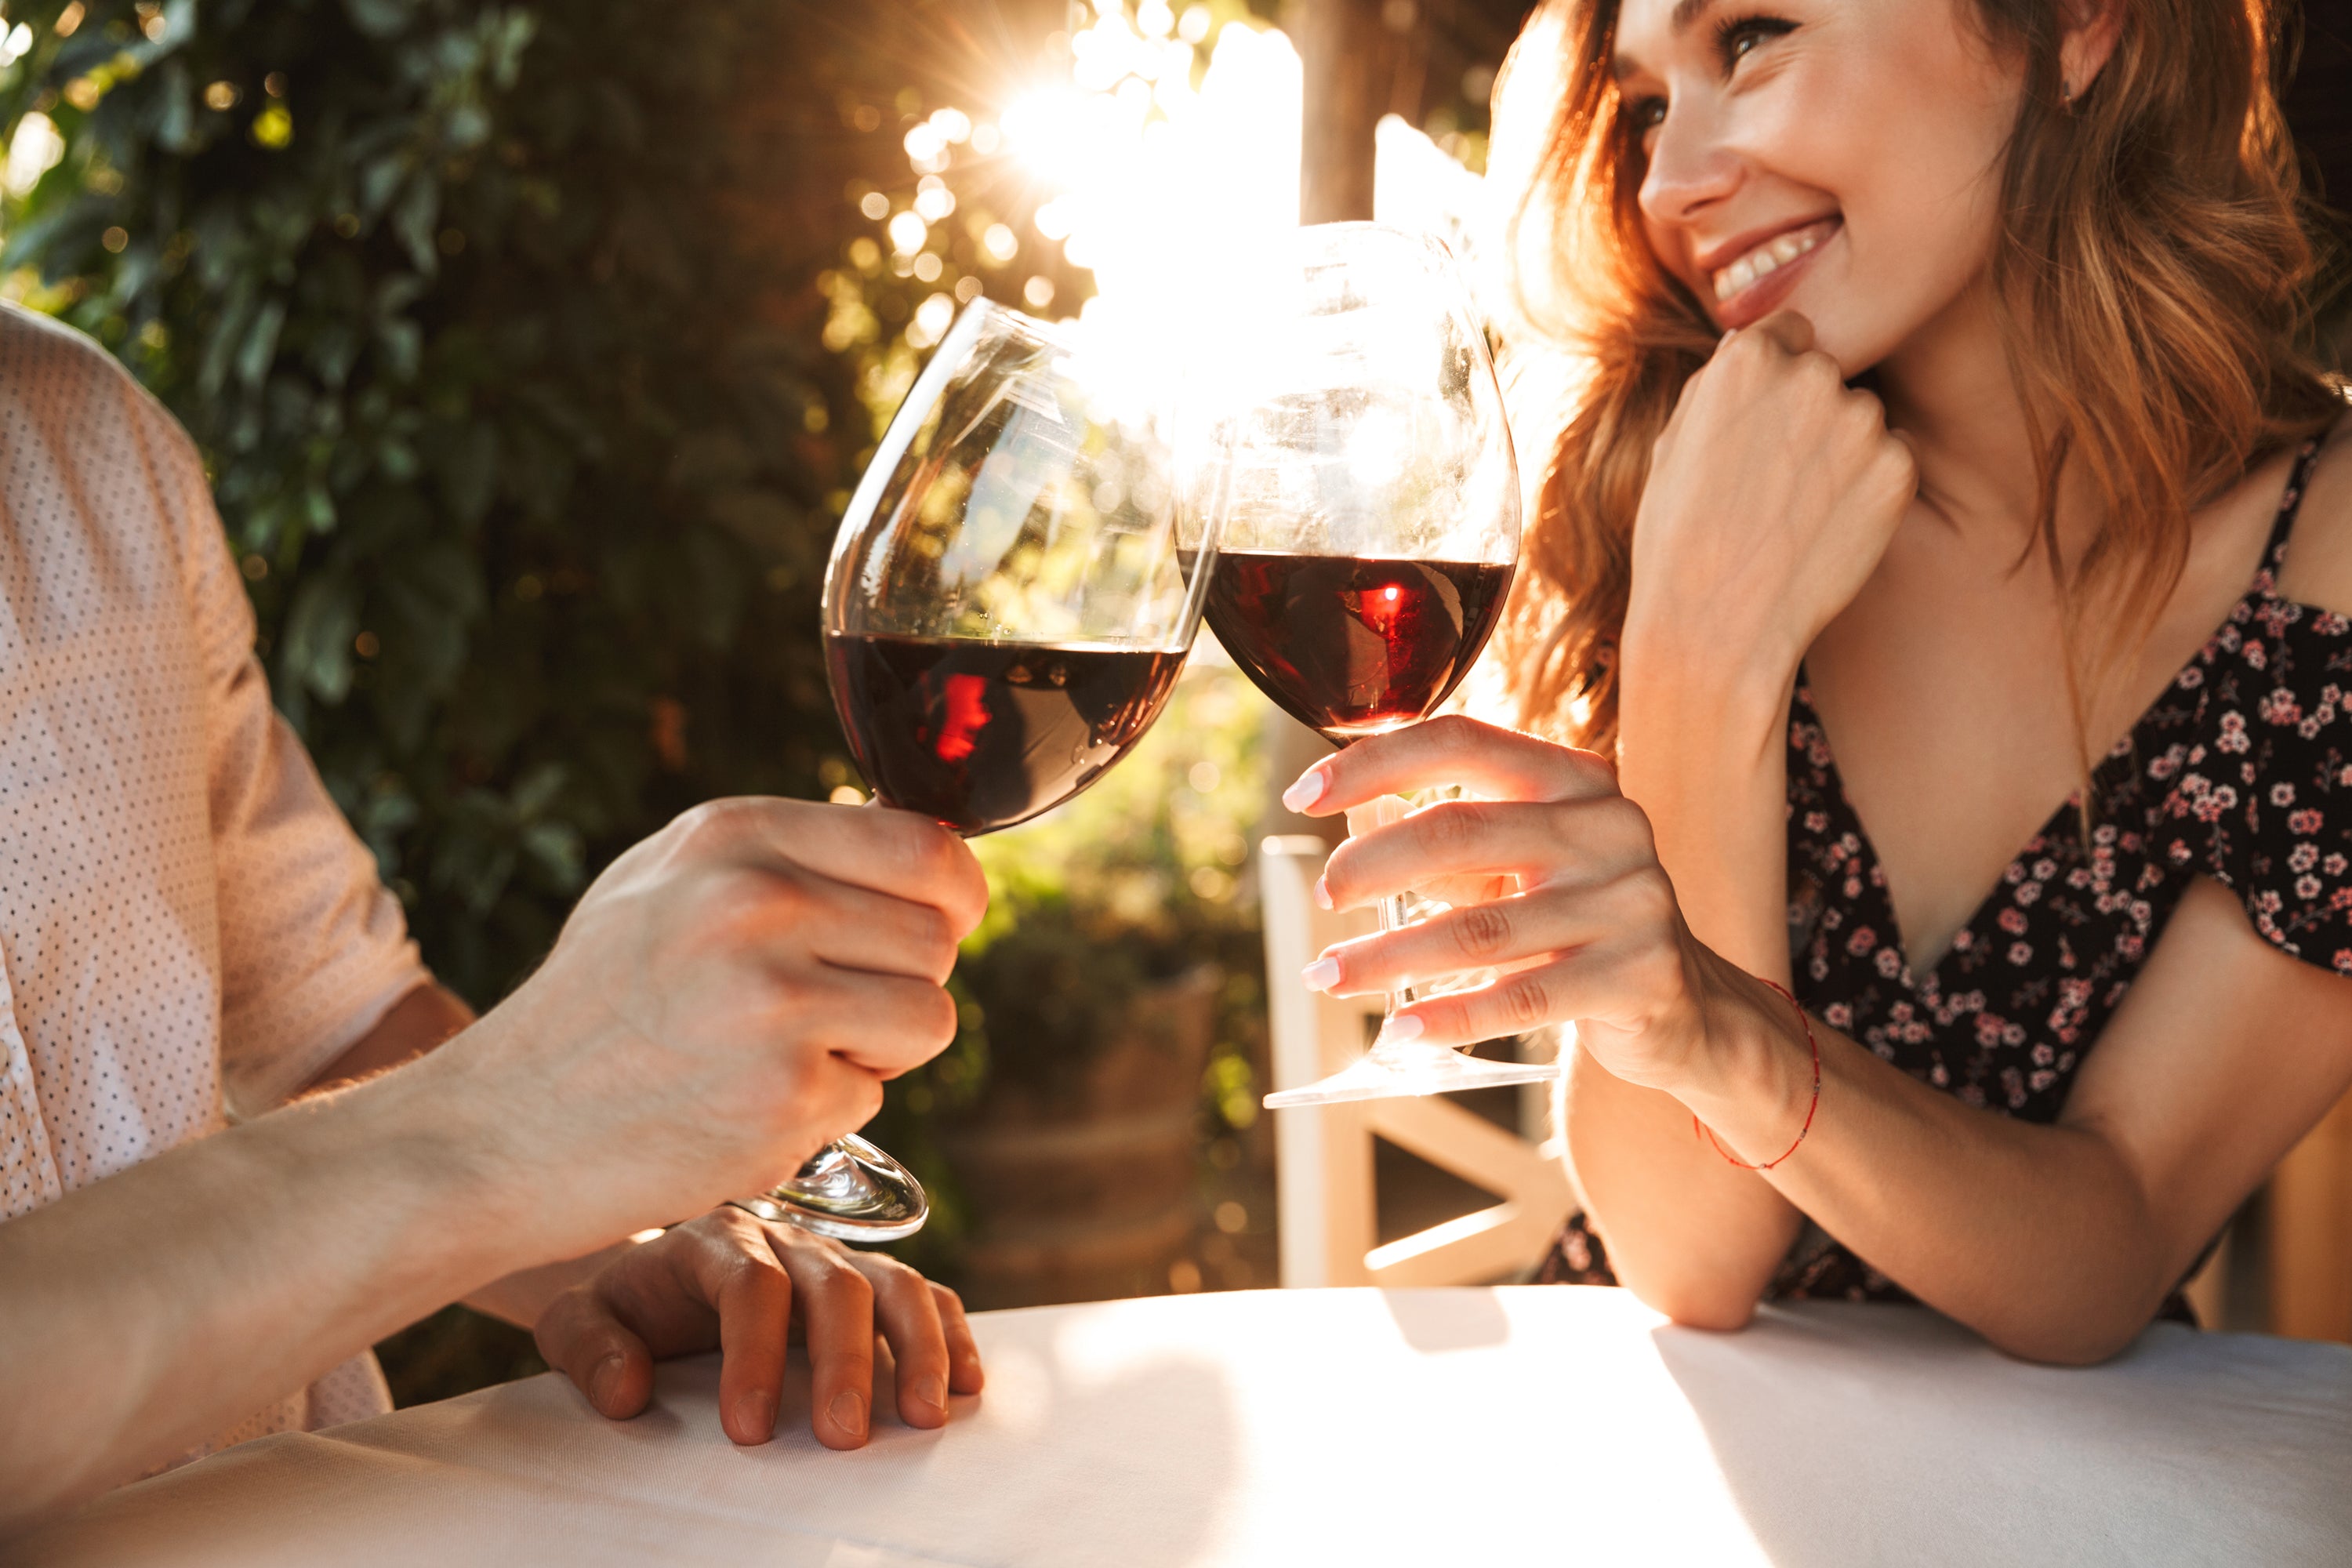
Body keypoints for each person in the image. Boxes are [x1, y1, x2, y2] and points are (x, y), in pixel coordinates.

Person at [1285, 0, 2352, 1363]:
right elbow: (1683, 1259)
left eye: (1752, 37)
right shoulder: (1680, 486)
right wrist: (1696, 648)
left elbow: (2116, 1239)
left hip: (2077, 1482)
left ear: (2081, 26)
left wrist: (1728, 1041)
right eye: (1651, 105)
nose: (1671, 184)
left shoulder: (2318, 567)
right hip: (1671, 1432)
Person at [0, 303, 986, 1536]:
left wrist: (620, 1246)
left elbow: (329, 1017)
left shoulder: (84, 439)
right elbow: (461, 1116)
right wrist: (500, 1130)